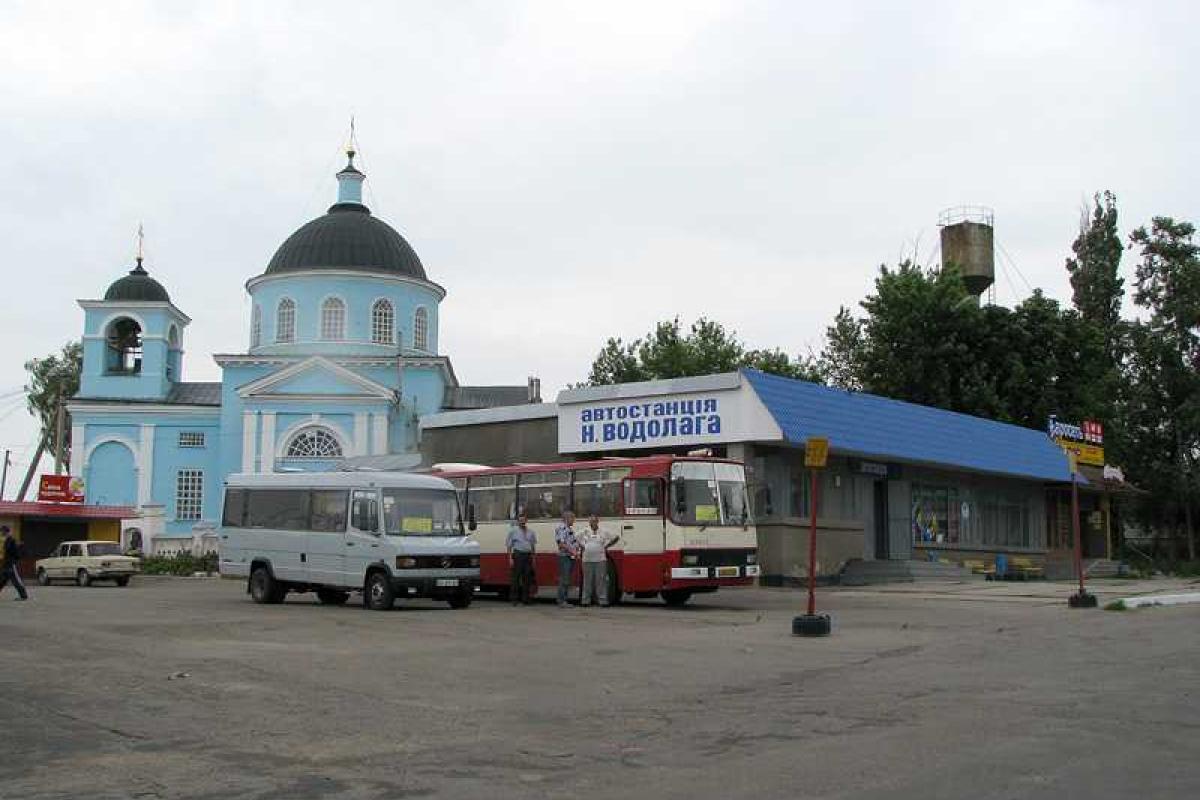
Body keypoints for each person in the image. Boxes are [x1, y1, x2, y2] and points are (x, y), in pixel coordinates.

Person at [577, 514, 620, 606]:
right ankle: (585, 601)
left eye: (594, 521)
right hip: (587, 560)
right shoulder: (584, 531)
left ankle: (603, 601)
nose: (593, 523)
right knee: (587, 581)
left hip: (600, 559)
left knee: (601, 580)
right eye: (591, 521)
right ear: (589, 522)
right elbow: (575, 538)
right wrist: (582, 546)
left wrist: (607, 546)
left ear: (597, 522)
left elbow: (616, 537)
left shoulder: (603, 531)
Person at [505, 511, 537, 605]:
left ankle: (525, 599)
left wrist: (534, 557)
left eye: (524, 520)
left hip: (528, 556)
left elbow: (533, 546)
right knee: (516, 578)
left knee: (527, 578)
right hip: (518, 555)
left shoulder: (531, 532)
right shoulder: (513, 532)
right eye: (520, 521)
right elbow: (509, 546)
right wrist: (510, 558)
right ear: (518, 522)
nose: (522, 522)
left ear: (526, 521)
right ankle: (514, 599)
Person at [553, 510, 580, 607]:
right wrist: (573, 551)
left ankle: (563, 599)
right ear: (567, 518)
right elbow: (561, 544)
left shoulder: (569, 529)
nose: (574, 520)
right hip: (565, 556)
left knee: (566, 578)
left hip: (569, 556)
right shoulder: (562, 528)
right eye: (572, 518)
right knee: (564, 579)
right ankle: (562, 600)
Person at [0, 525, 29, 601]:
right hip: (6, 564)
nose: (1, 533)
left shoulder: (12, 540)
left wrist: (14, 561)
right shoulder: (7, 540)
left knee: (16, 580)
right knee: (1, 579)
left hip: (11, 564)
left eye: (2, 531)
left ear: (6, 532)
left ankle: (23, 596)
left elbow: (17, 553)